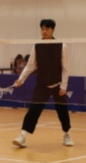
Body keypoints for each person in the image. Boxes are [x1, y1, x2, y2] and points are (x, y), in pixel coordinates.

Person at [12, 18, 72, 149]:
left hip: (57, 84)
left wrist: (64, 85)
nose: (44, 31)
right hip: (42, 85)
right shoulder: (37, 46)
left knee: (62, 111)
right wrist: (21, 79)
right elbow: (31, 65)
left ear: (53, 30)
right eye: (42, 29)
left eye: (47, 29)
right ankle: (22, 136)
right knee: (33, 110)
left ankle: (67, 134)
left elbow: (65, 67)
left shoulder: (62, 46)